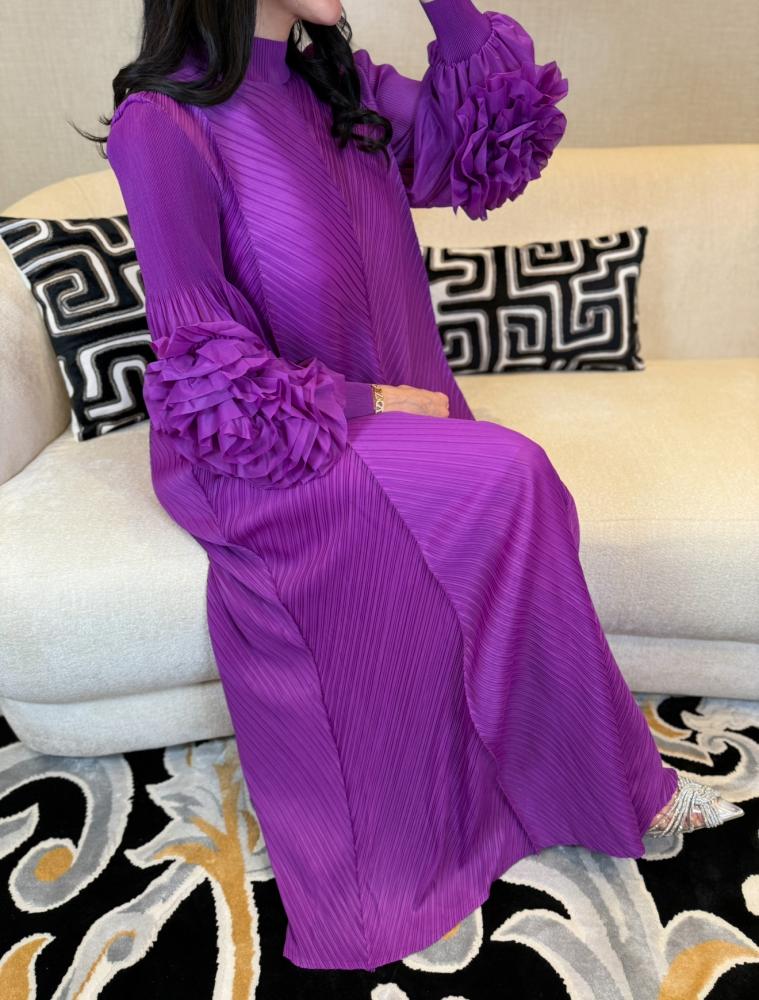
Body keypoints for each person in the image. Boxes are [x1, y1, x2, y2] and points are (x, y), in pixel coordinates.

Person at [100, 0, 743, 972]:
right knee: (514, 476)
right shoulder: (163, 123)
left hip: (400, 419)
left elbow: (499, 137)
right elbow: (198, 361)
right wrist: (364, 403)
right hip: (275, 448)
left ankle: (566, 785)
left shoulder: (338, 90)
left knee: (510, 491)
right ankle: (618, 790)